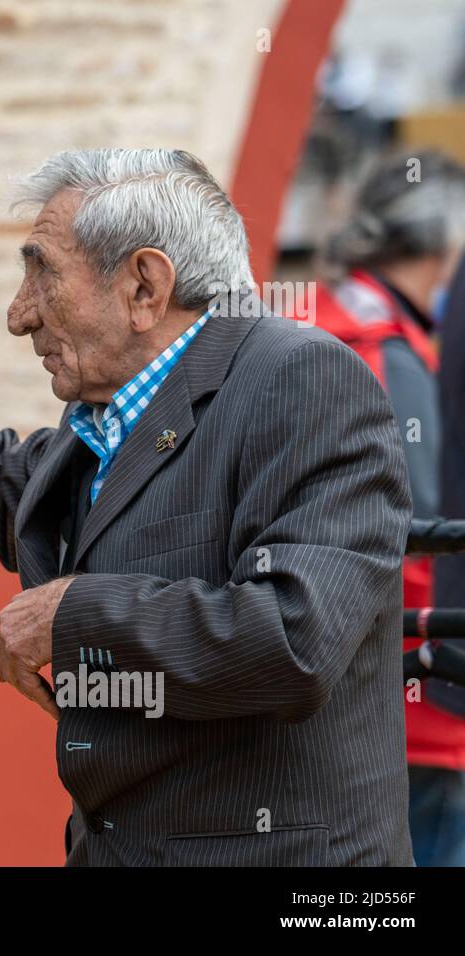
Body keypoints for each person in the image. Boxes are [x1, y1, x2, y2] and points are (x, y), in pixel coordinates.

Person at [0, 148, 415, 865]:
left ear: (144, 287)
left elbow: (295, 639)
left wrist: (72, 614)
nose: (19, 316)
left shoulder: (303, 380)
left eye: (41, 271)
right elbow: (3, 481)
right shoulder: (118, 414)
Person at [312, 150, 465, 867]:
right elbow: (428, 542)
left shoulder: (308, 321)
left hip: (324, 699)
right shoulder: (388, 355)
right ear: (442, 248)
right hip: (421, 712)